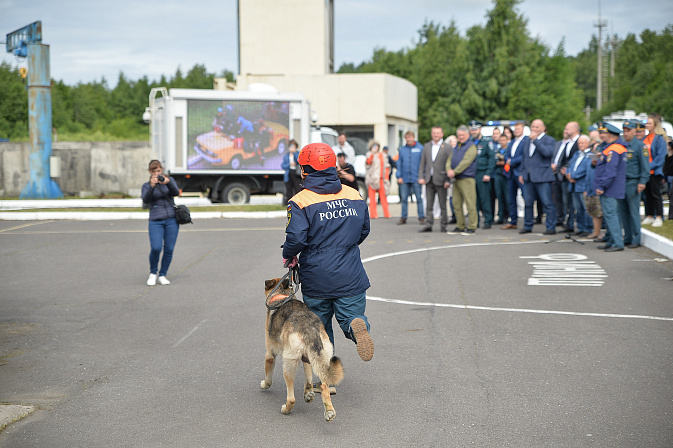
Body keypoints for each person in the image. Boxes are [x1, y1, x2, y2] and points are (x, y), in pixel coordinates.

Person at [282, 143, 373, 361]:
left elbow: (295, 239)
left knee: (320, 328)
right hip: (350, 273)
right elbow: (364, 230)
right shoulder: (353, 194)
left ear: (306, 170)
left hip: (317, 274)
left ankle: (326, 379)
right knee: (351, 313)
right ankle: (354, 325)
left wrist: (289, 254)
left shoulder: (300, 201)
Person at [141, 160, 180, 286]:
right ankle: (153, 273)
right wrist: (152, 187)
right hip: (156, 220)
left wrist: (168, 183)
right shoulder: (146, 185)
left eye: (159, 171)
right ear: (150, 172)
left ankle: (163, 274)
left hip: (172, 219)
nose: (157, 174)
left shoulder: (169, 181)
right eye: (154, 172)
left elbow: (175, 192)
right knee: (156, 248)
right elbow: (146, 200)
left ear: (161, 170)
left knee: (169, 249)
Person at [518, 119, 557, 235]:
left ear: (543, 128)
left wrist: (535, 141)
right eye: (533, 126)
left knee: (547, 203)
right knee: (528, 203)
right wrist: (522, 173)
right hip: (529, 177)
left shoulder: (549, 140)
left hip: (543, 177)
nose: (534, 129)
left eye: (537, 127)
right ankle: (527, 225)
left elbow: (547, 153)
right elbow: (525, 158)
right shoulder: (527, 141)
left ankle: (551, 227)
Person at [594, 123, 628, 252]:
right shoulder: (616, 148)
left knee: (611, 215)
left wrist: (602, 186)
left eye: (605, 134)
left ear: (610, 135)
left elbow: (610, 171)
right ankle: (611, 240)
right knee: (612, 215)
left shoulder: (614, 149)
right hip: (614, 187)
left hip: (610, 188)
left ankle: (617, 243)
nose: (603, 136)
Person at [618, 119, 650, 248]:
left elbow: (645, 167)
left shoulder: (639, 146)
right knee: (623, 212)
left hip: (633, 182)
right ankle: (628, 237)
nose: (626, 133)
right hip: (621, 183)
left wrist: (642, 181)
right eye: (624, 131)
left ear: (634, 131)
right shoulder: (622, 145)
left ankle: (636, 239)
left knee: (633, 212)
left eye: (628, 131)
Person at [418, 126, 452, 232]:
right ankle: (428, 224)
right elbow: (422, 162)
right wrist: (421, 177)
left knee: (442, 204)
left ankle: (443, 225)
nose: (435, 135)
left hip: (441, 179)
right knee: (429, 204)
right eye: (434, 133)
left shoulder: (447, 147)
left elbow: (450, 164)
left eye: (437, 133)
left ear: (442, 134)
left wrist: (448, 180)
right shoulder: (427, 146)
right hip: (429, 179)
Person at [446, 125, 478, 233]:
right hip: (456, 179)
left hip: (467, 179)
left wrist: (453, 172)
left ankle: (472, 226)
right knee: (456, 203)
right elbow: (449, 159)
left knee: (470, 203)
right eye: (459, 135)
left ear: (468, 135)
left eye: (463, 135)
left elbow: (466, 162)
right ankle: (460, 225)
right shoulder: (457, 146)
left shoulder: (471, 146)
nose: (461, 137)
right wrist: (448, 169)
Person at [551, 122, 580, 232]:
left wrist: (570, 172)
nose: (566, 131)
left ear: (574, 129)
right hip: (563, 176)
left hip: (574, 177)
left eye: (567, 129)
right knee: (566, 202)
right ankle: (569, 224)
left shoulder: (578, 142)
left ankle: (575, 224)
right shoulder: (567, 143)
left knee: (574, 203)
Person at [642, 113, 668, 227]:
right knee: (647, 195)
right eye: (646, 123)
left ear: (655, 125)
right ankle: (649, 215)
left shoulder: (659, 138)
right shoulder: (646, 138)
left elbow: (660, 156)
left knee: (656, 195)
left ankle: (659, 216)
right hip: (646, 171)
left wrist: (649, 166)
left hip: (655, 171)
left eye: (649, 123)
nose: (647, 125)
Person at [565, 135, 593, 237]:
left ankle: (588, 228)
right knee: (578, 209)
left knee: (586, 209)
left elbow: (586, 169)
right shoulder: (576, 154)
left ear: (588, 143)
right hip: (573, 186)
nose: (580, 145)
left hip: (582, 185)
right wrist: (568, 175)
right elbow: (569, 165)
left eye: (583, 143)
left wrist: (573, 175)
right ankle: (581, 228)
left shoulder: (590, 155)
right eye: (579, 143)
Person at [470, 120, 495, 229]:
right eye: (472, 129)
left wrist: (488, 173)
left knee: (485, 199)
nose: (473, 131)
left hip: (482, 173)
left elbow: (492, 159)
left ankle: (488, 221)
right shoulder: (469, 142)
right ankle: (476, 221)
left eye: (475, 129)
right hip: (471, 174)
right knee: (473, 200)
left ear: (480, 129)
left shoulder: (486, 142)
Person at [396, 130, 425, 225]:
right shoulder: (402, 150)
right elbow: (399, 164)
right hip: (404, 178)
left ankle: (421, 217)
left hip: (416, 178)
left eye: (410, 137)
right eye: (407, 138)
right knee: (404, 198)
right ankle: (403, 217)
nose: (408, 139)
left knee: (419, 198)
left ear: (413, 137)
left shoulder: (420, 148)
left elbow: (423, 163)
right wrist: (399, 176)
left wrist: (422, 176)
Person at [365, 141, 391, 219]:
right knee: (372, 198)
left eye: (376, 146)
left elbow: (386, 167)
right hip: (372, 179)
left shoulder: (383, 155)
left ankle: (387, 214)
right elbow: (368, 163)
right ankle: (373, 214)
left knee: (383, 197)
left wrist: (386, 178)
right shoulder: (369, 155)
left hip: (381, 179)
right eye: (373, 146)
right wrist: (372, 154)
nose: (375, 148)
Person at [493, 132, 511, 225]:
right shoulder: (497, 150)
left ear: (507, 140)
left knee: (507, 196)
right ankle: (501, 216)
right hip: (498, 174)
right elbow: (494, 160)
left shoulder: (509, 150)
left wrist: (505, 162)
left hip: (506, 176)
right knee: (499, 196)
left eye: (504, 140)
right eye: (501, 140)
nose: (502, 142)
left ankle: (509, 215)